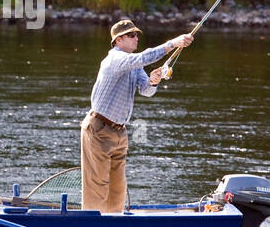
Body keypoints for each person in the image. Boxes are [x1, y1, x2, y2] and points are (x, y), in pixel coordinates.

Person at [81, 19, 194, 213]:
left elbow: (146, 90)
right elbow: (144, 57)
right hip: (99, 129)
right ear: (118, 40)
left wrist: (153, 80)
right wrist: (173, 43)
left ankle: (113, 226)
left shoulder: (134, 65)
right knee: (97, 187)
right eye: (131, 35)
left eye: (137, 35)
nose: (136, 38)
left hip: (119, 133)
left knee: (117, 190)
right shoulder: (115, 60)